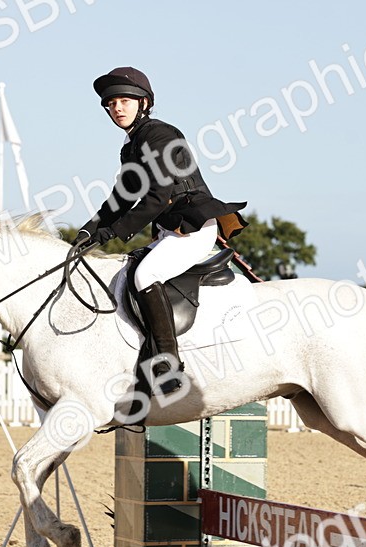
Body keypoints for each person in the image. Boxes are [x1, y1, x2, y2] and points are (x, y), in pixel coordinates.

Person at [74, 66, 247, 394]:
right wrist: (86, 233)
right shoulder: (132, 145)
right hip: (171, 231)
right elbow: (122, 198)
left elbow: (158, 197)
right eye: (111, 103)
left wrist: (113, 232)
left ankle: (168, 364)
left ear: (144, 103)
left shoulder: (159, 135)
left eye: (125, 101)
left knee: (145, 275)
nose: (117, 108)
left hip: (193, 228)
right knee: (126, 273)